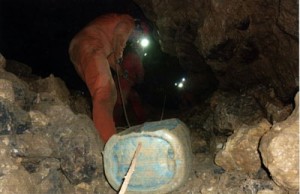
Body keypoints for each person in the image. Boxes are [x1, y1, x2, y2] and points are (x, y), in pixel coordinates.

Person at [68, 13, 137, 143]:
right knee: (105, 93)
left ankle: (102, 133)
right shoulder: (128, 20)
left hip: (77, 49)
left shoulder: (107, 29)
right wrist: (120, 54)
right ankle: (109, 143)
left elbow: (110, 59)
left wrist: (121, 72)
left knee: (102, 94)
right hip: (91, 44)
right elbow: (120, 36)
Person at [113, 45, 146, 126]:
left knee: (134, 98)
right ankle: (114, 123)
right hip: (124, 83)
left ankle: (141, 119)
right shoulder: (135, 58)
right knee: (120, 103)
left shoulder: (125, 55)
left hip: (117, 81)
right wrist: (139, 80)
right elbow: (140, 74)